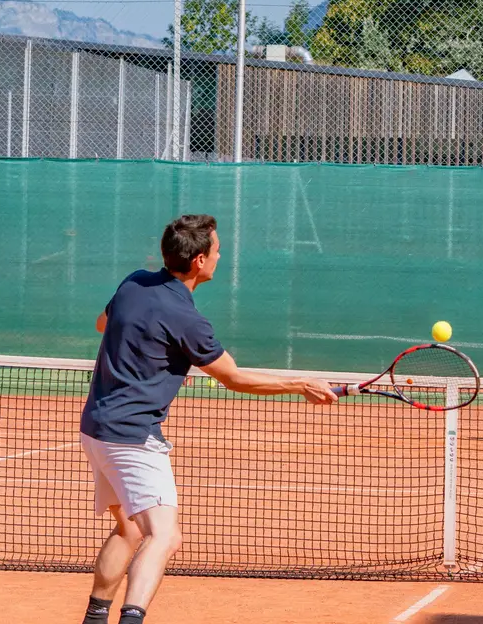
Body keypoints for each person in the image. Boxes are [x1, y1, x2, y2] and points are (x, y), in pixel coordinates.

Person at [78, 214, 337, 624]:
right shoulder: (187, 318)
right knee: (164, 535)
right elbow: (233, 378)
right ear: (199, 261)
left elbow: (102, 324)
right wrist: (300, 383)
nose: (221, 255)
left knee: (130, 529)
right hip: (132, 436)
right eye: (216, 250)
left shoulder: (133, 283)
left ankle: (94, 620)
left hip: (95, 429)